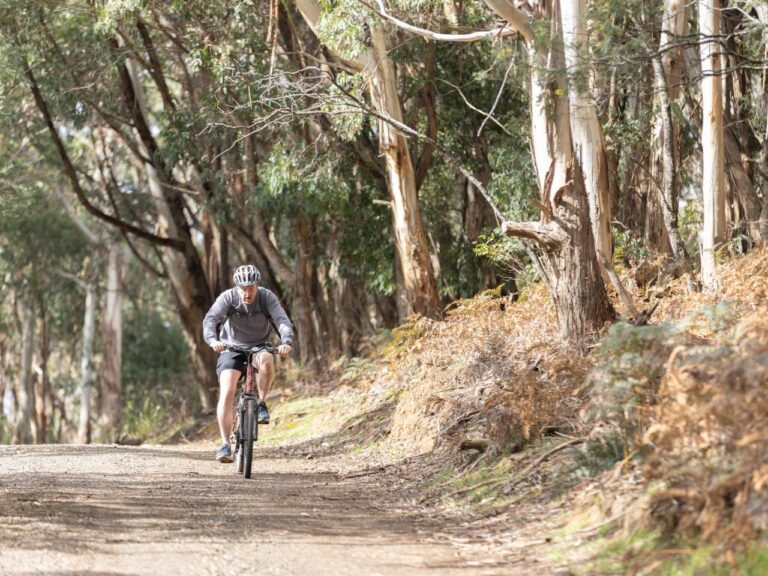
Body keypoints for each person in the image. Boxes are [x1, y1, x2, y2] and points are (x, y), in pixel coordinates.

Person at [202, 264, 293, 462]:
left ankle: (261, 404)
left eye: (250, 287)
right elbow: (210, 319)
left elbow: (281, 320)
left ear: (256, 285)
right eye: (242, 288)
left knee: (268, 360)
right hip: (231, 348)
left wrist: (286, 341)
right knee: (227, 390)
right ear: (236, 287)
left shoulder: (266, 297)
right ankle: (225, 444)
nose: (246, 293)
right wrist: (213, 340)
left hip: (259, 346)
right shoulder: (228, 298)